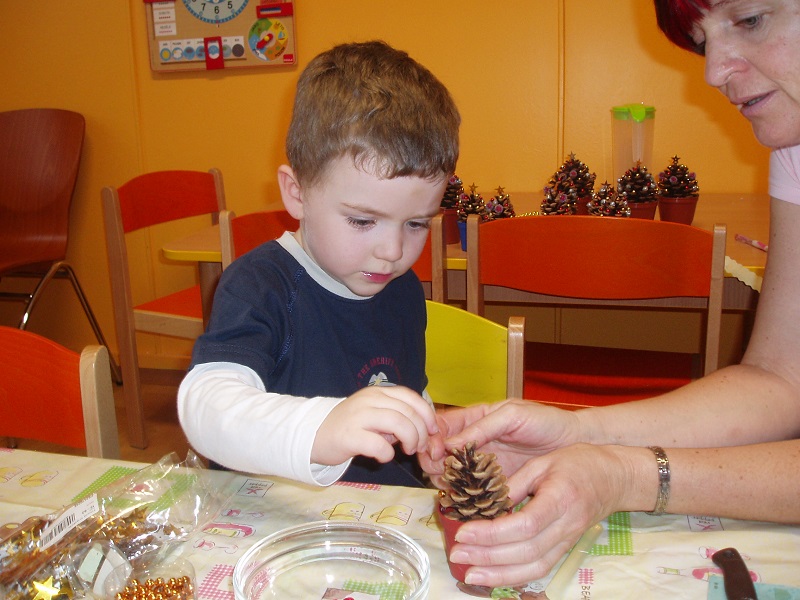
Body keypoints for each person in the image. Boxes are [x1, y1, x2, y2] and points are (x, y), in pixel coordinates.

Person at [419, 0, 800, 588]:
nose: (713, 71)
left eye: (750, 20)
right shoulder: (794, 152)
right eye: (703, 40)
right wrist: (579, 433)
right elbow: (778, 380)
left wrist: (626, 475)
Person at [178, 40, 460, 487]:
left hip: (381, 515)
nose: (393, 251)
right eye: (363, 221)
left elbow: (404, 389)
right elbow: (206, 407)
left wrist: (427, 441)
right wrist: (324, 427)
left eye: (416, 224)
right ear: (297, 193)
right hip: (276, 515)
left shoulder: (401, 288)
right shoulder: (258, 286)